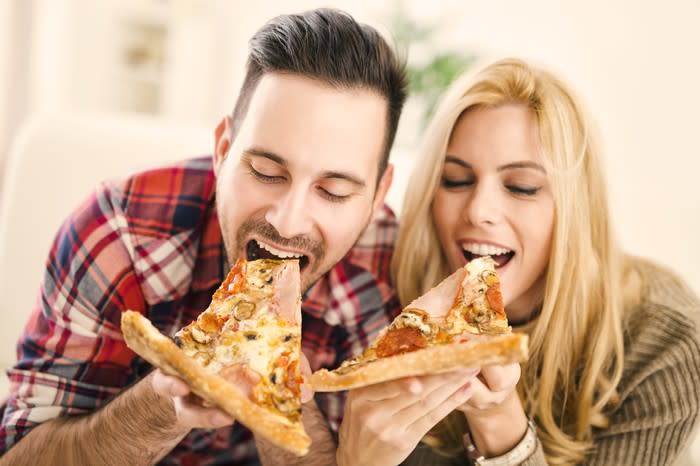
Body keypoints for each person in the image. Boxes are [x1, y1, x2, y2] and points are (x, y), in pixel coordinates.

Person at [0, 8, 408, 465]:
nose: (289, 221)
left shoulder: (390, 265)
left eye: (333, 192)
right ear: (223, 150)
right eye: (266, 171)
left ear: (377, 195)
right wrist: (162, 398)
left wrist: (279, 392)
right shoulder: (117, 235)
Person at [336, 58, 700, 466]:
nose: (479, 211)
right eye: (456, 180)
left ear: (576, 208)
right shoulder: (394, 303)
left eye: (521, 187)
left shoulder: (666, 341)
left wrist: (500, 425)